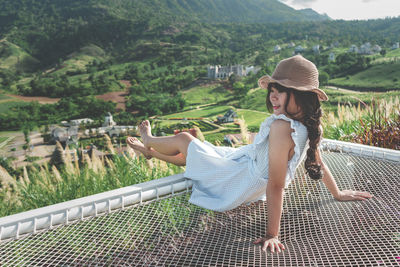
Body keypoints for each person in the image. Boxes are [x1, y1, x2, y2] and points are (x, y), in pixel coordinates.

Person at [126, 55, 373, 253]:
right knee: (197, 155)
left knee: (185, 140)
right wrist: (337, 193)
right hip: (246, 166)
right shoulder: (309, 125)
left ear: (302, 95)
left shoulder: (281, 128)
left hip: (242, 177)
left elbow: (276, 186)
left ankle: (149, 141)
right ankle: (151, 152)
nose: (273, 95)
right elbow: (316, 158)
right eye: (272, 90)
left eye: (282, 90)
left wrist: (272, 234)